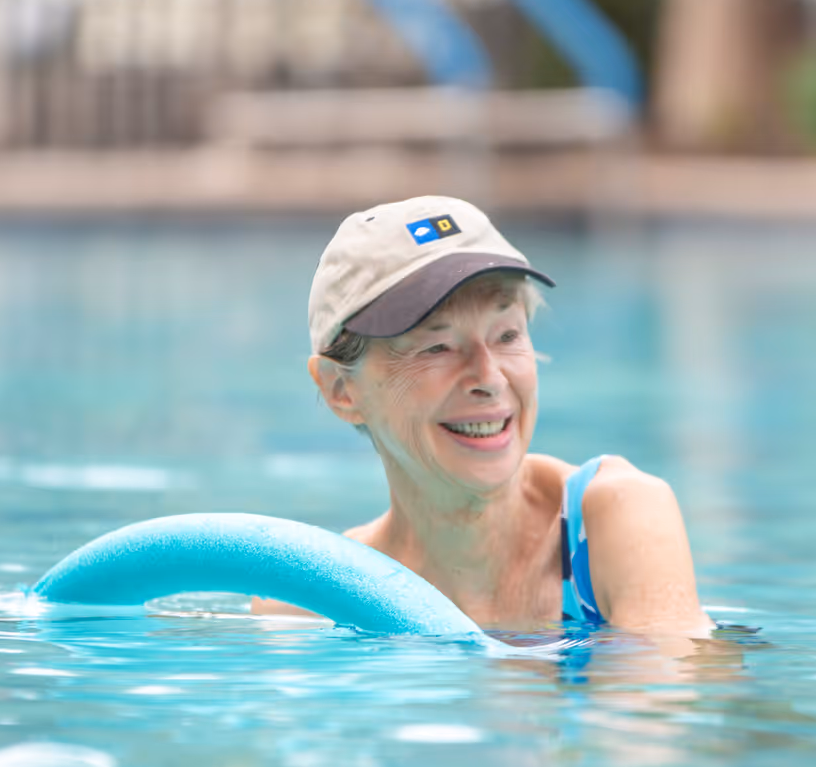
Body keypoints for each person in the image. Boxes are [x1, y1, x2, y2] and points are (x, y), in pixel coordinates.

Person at [282, 195, 714, 637]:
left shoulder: (613, 520)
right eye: (437, 347)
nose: (488, 377)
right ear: (340, 389)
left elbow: (660, 698)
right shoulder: (310, 600)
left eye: (506, 335)